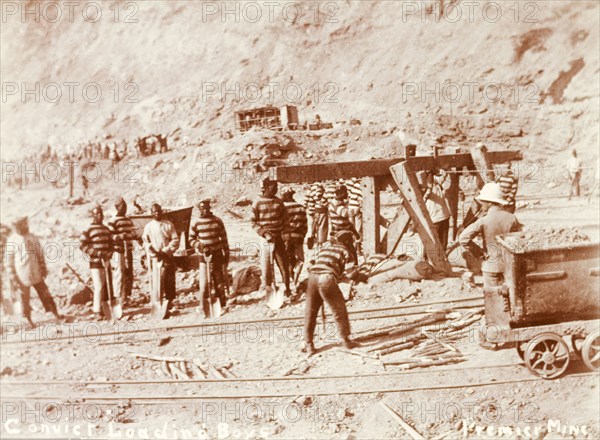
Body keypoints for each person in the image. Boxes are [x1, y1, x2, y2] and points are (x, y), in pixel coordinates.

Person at [304, 231, 360, 355]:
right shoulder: (345, 251)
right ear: (347, 242)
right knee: (338, 309)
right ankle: (345, 340)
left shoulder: (324, 248)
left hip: (312, 277)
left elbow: (309, 265)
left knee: (310, 311)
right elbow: (351, 273)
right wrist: (361, 276)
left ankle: (309, 344)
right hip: (326, 279)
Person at [458, 182, 521, 290]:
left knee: (493, 299)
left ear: (490, 203)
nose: (482, 204)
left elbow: (463, 238)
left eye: (483, 202)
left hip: (491, 267)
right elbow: (520, 239)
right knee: (511, 297)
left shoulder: (484, 220)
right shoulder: (512, 218)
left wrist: (480, 253)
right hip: (510, 266)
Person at [6, 217, 61, 327]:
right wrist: (13, 277)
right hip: (22, 275)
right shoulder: (12, 240)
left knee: (45, 294)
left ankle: (56, 315)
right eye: (21, 225)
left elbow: (40, 254)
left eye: (25, 224)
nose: (24, 227)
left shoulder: (32, 237)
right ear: (16, 226)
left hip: (36, 272)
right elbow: (9, 262)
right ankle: (29, 320)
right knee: (24, 299)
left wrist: (43, 267)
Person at [250, 178, 291, 297]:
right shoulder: (257, 202)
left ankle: (288, 289)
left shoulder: (279, 202)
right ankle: (269, 290)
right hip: (265, 239)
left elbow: (286, 221)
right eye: (274, 188)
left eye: (277, 188)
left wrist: (286, 235)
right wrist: (264, 233)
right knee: (267, 266)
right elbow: (253, 222)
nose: (276, 190)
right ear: (267, 188)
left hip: (278, 237)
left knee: (283, 264)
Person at [190, 199, 230, 309]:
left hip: (217, 255)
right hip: (204, 257)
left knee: (219, 281)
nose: (205, 211)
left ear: (210, 208)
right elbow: (191, 240)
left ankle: (221, 304)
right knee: (204, 284)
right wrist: (201, 246)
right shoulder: (195, 222)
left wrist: (226, 254)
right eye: (203, 209)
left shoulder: (217, 221)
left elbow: (224, 239)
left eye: (207, 208)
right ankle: (204, 305)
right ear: (199, 210)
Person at [142, 203, 180, 317]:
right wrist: (152, 250)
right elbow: (145, 240)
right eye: (154, 212)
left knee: (169, 279)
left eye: (158, 211)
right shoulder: (148, 227)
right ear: (151, 213)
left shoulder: (168, 224)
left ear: (161, 212)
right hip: (156, 258)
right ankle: (158, 301)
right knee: (158, 280)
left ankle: (170, 301)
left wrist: (166, 250)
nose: (157, 213)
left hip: (167, 256)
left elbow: (175, 239)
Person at [80, 206, 114, 319]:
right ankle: (97, 311)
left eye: (101, 213)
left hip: (106, 261)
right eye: (97, 214)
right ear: (93, 216)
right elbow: (82, 245)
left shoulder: (106, 229)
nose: (100, 215)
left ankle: (105, 309)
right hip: (95, 262)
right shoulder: (88, 229)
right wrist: (96, 253)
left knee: (106, 285)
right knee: (99, 286)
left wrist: (110, 253)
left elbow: (111, 243)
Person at [107, 198, 139, 305]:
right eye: (122, 206)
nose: (124, 208)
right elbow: (110, 236)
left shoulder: (128, 220)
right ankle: (118, 297)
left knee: (128, 272)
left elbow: (134, 233)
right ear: (117, 208)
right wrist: (120, 236)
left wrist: (134, 236)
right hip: (117, 251)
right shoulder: (112, 221)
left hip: (128, 250)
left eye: (125, 206)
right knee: (119, 272)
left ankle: (127, 296)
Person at [281, 187, 308, 289]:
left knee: (288, 258)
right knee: (300, 260)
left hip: (286, 237)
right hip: (298, 237)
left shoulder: (282, 208)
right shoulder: (301, 207)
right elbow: (305, 225)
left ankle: (289, 279)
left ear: (287, 195)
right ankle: (295, 280)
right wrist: (303, 235)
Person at [421, 171, 451, 258]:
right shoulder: (425, 190)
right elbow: (427, 194)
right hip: (435, 219)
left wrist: (443, 170)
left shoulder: (436, 184)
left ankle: (442, 259)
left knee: (443, 242)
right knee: (431, 241)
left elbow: (442, 177)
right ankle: (426, 259)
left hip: (444, 217)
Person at [328, 185, 360, 264]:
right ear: (342, 193)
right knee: (348, 253)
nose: (347, 194)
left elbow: (347, 222)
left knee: (350, 252)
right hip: (340, 233)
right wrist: (359, 209)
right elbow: (345, 213)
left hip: (343, 232)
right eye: (346, 192)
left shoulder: (340, 203)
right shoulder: (335, 204)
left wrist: (355, 232)